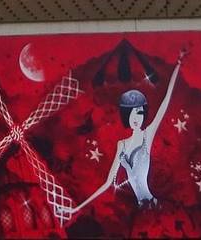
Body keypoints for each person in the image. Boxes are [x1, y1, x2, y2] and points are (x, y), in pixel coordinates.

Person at [60, 47, 188, 222]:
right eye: (132, 114)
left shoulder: (147, 136)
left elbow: (166, 100)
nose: (136, 118)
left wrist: (178, 64)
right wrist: (76, 208)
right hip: (143, 210)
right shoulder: (122, 145)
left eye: (140, 113)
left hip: (152, 204)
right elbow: (106, 184)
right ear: (127, 116)